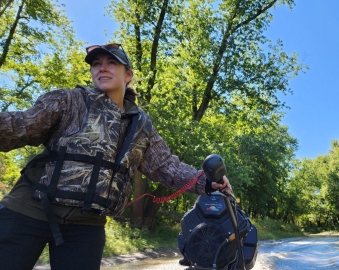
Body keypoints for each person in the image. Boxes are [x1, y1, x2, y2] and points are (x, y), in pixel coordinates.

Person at [0, 43, 231, 270]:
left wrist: (207, 182)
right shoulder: (67, 100)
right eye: (96, 64)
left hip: (86, 223)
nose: (102, 68)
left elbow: (165, 165)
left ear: (128, 75)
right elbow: (22, 125)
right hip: (29, 209)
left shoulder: (141, 124)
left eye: (112, 63)